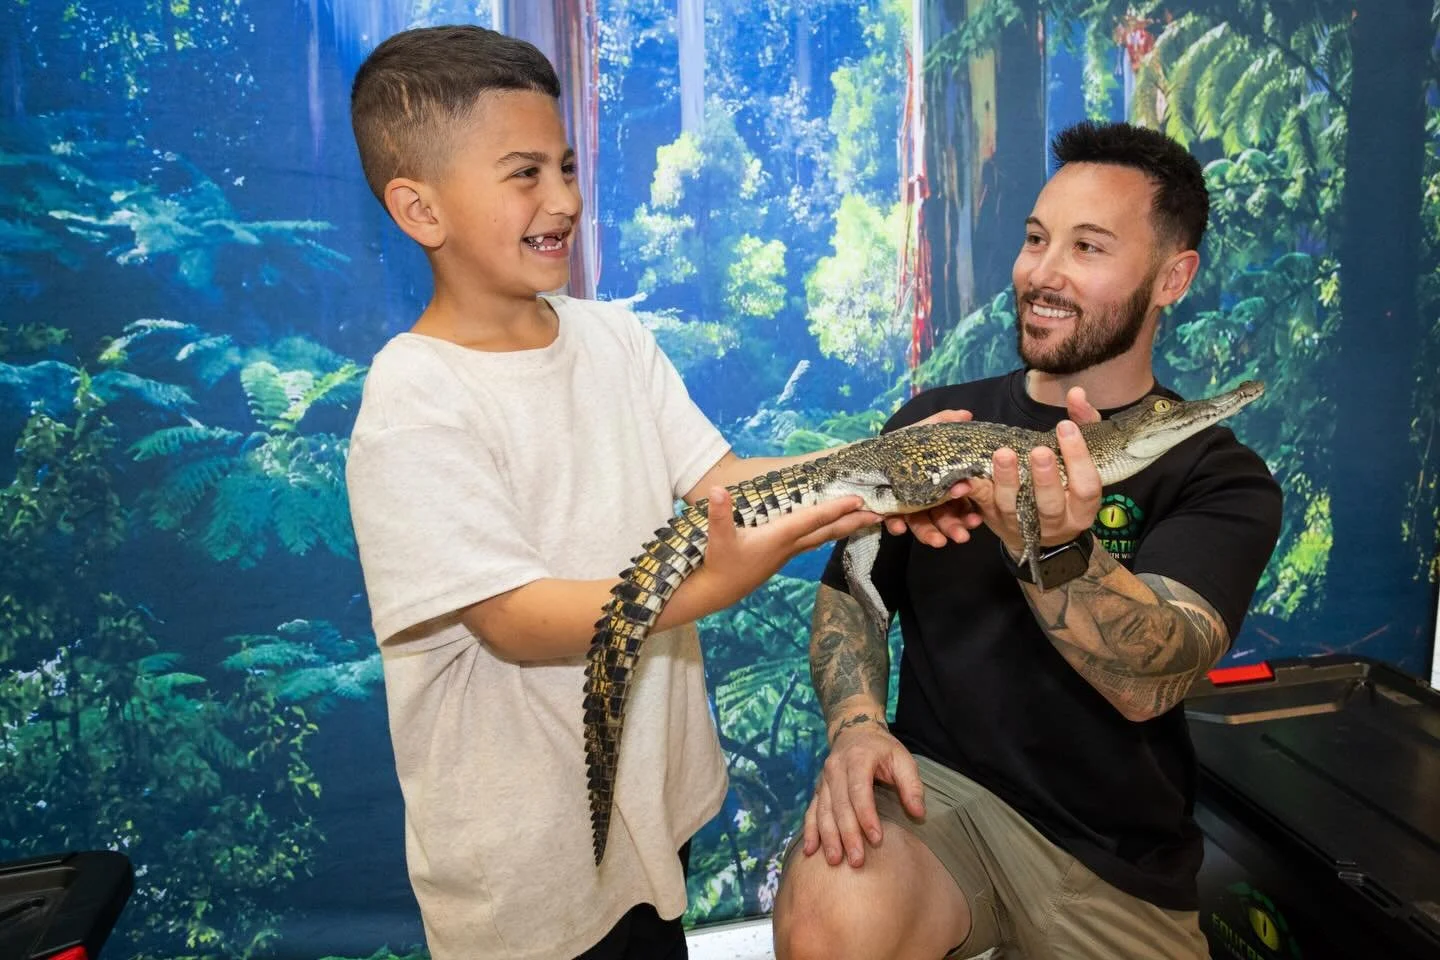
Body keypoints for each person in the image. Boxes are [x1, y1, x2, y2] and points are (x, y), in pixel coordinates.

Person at [343, 24, 966, 960]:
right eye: (524, 174)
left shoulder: (614, 342)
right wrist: (714, 585)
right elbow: (512, 616)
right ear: (419, 209)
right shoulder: (412, 398)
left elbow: (727, 486)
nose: (564, 198)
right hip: (525, 875)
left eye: (564, 165)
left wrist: (883, 476)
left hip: (650, 816)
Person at [772, 121, 1284, 960]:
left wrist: (1051, 548)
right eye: (1037, 239)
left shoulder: (1221, 476)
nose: (1042, 273)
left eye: (1088, 248)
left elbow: (1154, 681)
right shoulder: (939, 422)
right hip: (941, 802)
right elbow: (851, 596)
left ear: (1173, 277)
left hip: (1118, 863)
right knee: (834, 904)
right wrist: (859, 726)